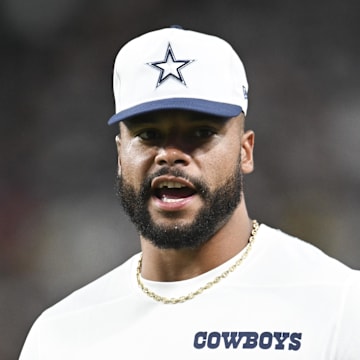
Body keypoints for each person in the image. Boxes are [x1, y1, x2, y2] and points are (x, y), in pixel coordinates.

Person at [19, 26, 360, 360]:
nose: (170, 153)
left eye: (200, 132)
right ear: (120, 155)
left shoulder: (338, 304)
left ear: (245, 151)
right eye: (149, 134)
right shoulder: (60, 335)